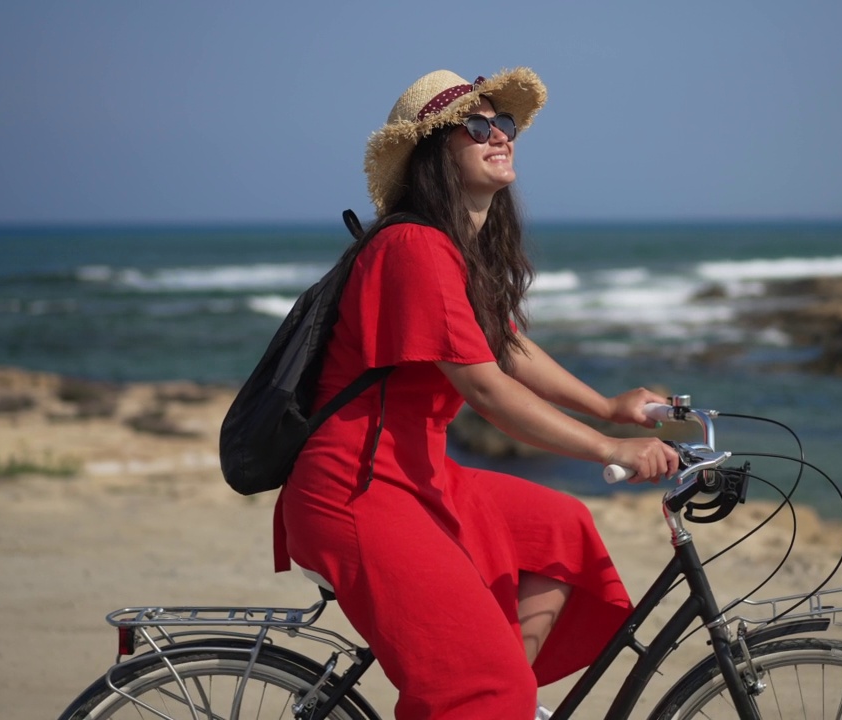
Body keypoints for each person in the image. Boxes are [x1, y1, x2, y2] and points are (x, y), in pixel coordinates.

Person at [273, 68, 680, 720]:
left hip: (419, 475)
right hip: (358, 490)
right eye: (478, 125)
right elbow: (485, 387)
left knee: (562, 532)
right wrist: (611, 448)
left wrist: (609, 406)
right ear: (435, 150)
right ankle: (489, 698)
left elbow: (506, 347)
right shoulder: (413, 247)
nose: (501, 136)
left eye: (506, 125)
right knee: (485, 688)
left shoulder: (453, 253)